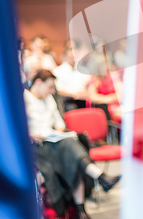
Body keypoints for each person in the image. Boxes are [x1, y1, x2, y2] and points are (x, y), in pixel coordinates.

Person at [24, 70, 120, 219]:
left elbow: (59, 123)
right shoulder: (24, 99)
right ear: (38, 83)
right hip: (38, 146)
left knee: (72, 147)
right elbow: (20, 128)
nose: (51, 91)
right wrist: (35, 135)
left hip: (55, 141)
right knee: (71, 148)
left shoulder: (48, 98)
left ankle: (83, 207)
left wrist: (59, 131)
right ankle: (99, 178)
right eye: (49, 87)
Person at [53, 47, 90, 112]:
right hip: (67, 101)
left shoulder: (82, 70)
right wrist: (73, 94)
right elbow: (58, 91)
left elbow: (88, 85)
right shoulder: (58, 71)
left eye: (76, 57)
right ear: (65, 57)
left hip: (83, 99)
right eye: (71, 57)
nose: (74, 59)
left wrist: (85, 93)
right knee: (73, 108)